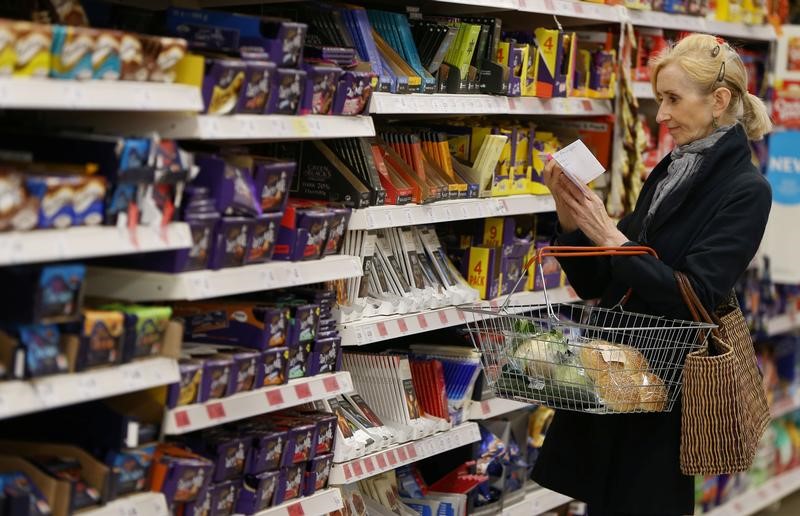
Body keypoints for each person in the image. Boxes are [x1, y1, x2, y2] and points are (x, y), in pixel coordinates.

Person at [531, 33, 773, 515]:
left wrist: (613, 238)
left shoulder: (747, 190)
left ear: (718, 101)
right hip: (618, 378)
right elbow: (602, 284)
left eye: (672, 99)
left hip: (667, 393)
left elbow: (696, 297)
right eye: (659, 99)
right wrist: (569, 215)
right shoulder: (669, 170)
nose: (660, 115)